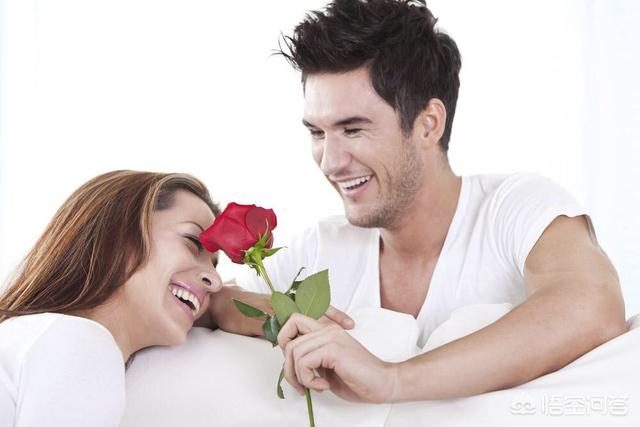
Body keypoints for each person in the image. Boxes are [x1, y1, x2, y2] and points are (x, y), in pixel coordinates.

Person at [204, 0, 627, 404]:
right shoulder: (322, 247)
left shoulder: (515, 208)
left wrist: (391, 379)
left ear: (428, 124)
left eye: (353, 130)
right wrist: (273, 313)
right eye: (317, 133)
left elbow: (592, 304)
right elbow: (216, 300)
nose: (330, 162)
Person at [0, 170, 223, 426]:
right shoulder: (82, 342)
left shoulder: (37, 337)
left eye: (215, 265)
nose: (215, 281)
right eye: (192, 241)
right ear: (119, 231)